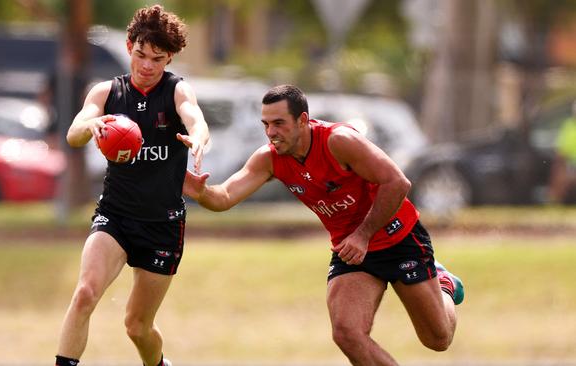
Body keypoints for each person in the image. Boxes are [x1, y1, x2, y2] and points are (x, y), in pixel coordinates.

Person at [183, 85, 463, 365]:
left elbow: (397, 182)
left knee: (437, 339)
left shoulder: (339, 141)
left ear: (303, 120)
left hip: (398, 238)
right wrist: (200, 192)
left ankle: (445, 284)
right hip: (351, 251)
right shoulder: (270, 158)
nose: (271, 133)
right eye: (266, 124)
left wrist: (363, 235)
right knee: (347, 334)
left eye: (279, 123)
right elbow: (224, 197)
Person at [56, 5, 209, 366]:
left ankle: (157, 365)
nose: (146, 66)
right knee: (84, 294)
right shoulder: (106, 92)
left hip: (162, 224)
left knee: (137, 326)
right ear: (129, 47)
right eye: (140, 55)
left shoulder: (176, 90)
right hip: (115, 216)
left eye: (157, 59)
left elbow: (195, 118)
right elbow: (74, 133)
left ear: (169, 57)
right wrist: (89, 127)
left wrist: (199, 137)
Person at [549, 100, 576, 204]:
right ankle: (554, 202)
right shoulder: (568, 126)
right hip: (571, 165)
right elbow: (561, 151)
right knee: (558, 172)